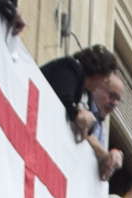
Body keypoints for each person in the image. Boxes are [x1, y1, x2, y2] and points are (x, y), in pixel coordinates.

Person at [36, 43, 124, 179]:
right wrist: (77, 114)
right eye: (105, 80)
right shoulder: (69, 67)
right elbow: (63, 98)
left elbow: (88, 132)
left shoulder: (85, 95)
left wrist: (106, 156)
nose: (103, 84)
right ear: (98, 73)